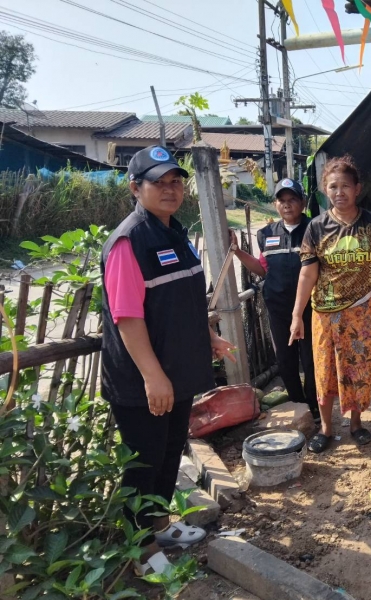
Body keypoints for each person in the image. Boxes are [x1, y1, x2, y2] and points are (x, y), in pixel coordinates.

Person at [101, 146, 236, 575]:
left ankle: (160, 526)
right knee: (143, 464)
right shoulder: (129, 242)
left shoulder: (175, 233)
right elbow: (127, 317)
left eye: (175, 181)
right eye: (158, 182)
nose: (170, 189)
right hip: (143, 381)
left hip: (176, 375)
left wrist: (208, 336)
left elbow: (185, 300)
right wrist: (153, 376)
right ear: (135, 188)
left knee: (169, 454)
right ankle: (139, 552)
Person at [289, 155, 371, 454]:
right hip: (325, 313)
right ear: (325, 189)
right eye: (333, 186)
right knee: (324, 371)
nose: (339, 192)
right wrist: (297, 315)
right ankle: (326, 428)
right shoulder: (316, 227)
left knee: (359, 369)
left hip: (364, 311)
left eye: (345, 186)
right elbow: (308, 273)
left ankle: (356, 424)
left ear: (357, 189)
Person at [231, 178, 319, 422]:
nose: (287, 205)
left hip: (312, 308)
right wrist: (237, 252)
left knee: (311, 358)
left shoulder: (315, 229)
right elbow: (262, 269)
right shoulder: (266, 234)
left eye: (293, 200)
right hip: (278, 309)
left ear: (303, 202)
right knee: (285, 359)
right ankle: (298, 403)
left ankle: (314, 406)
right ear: (275, 205)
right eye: (282, 200)